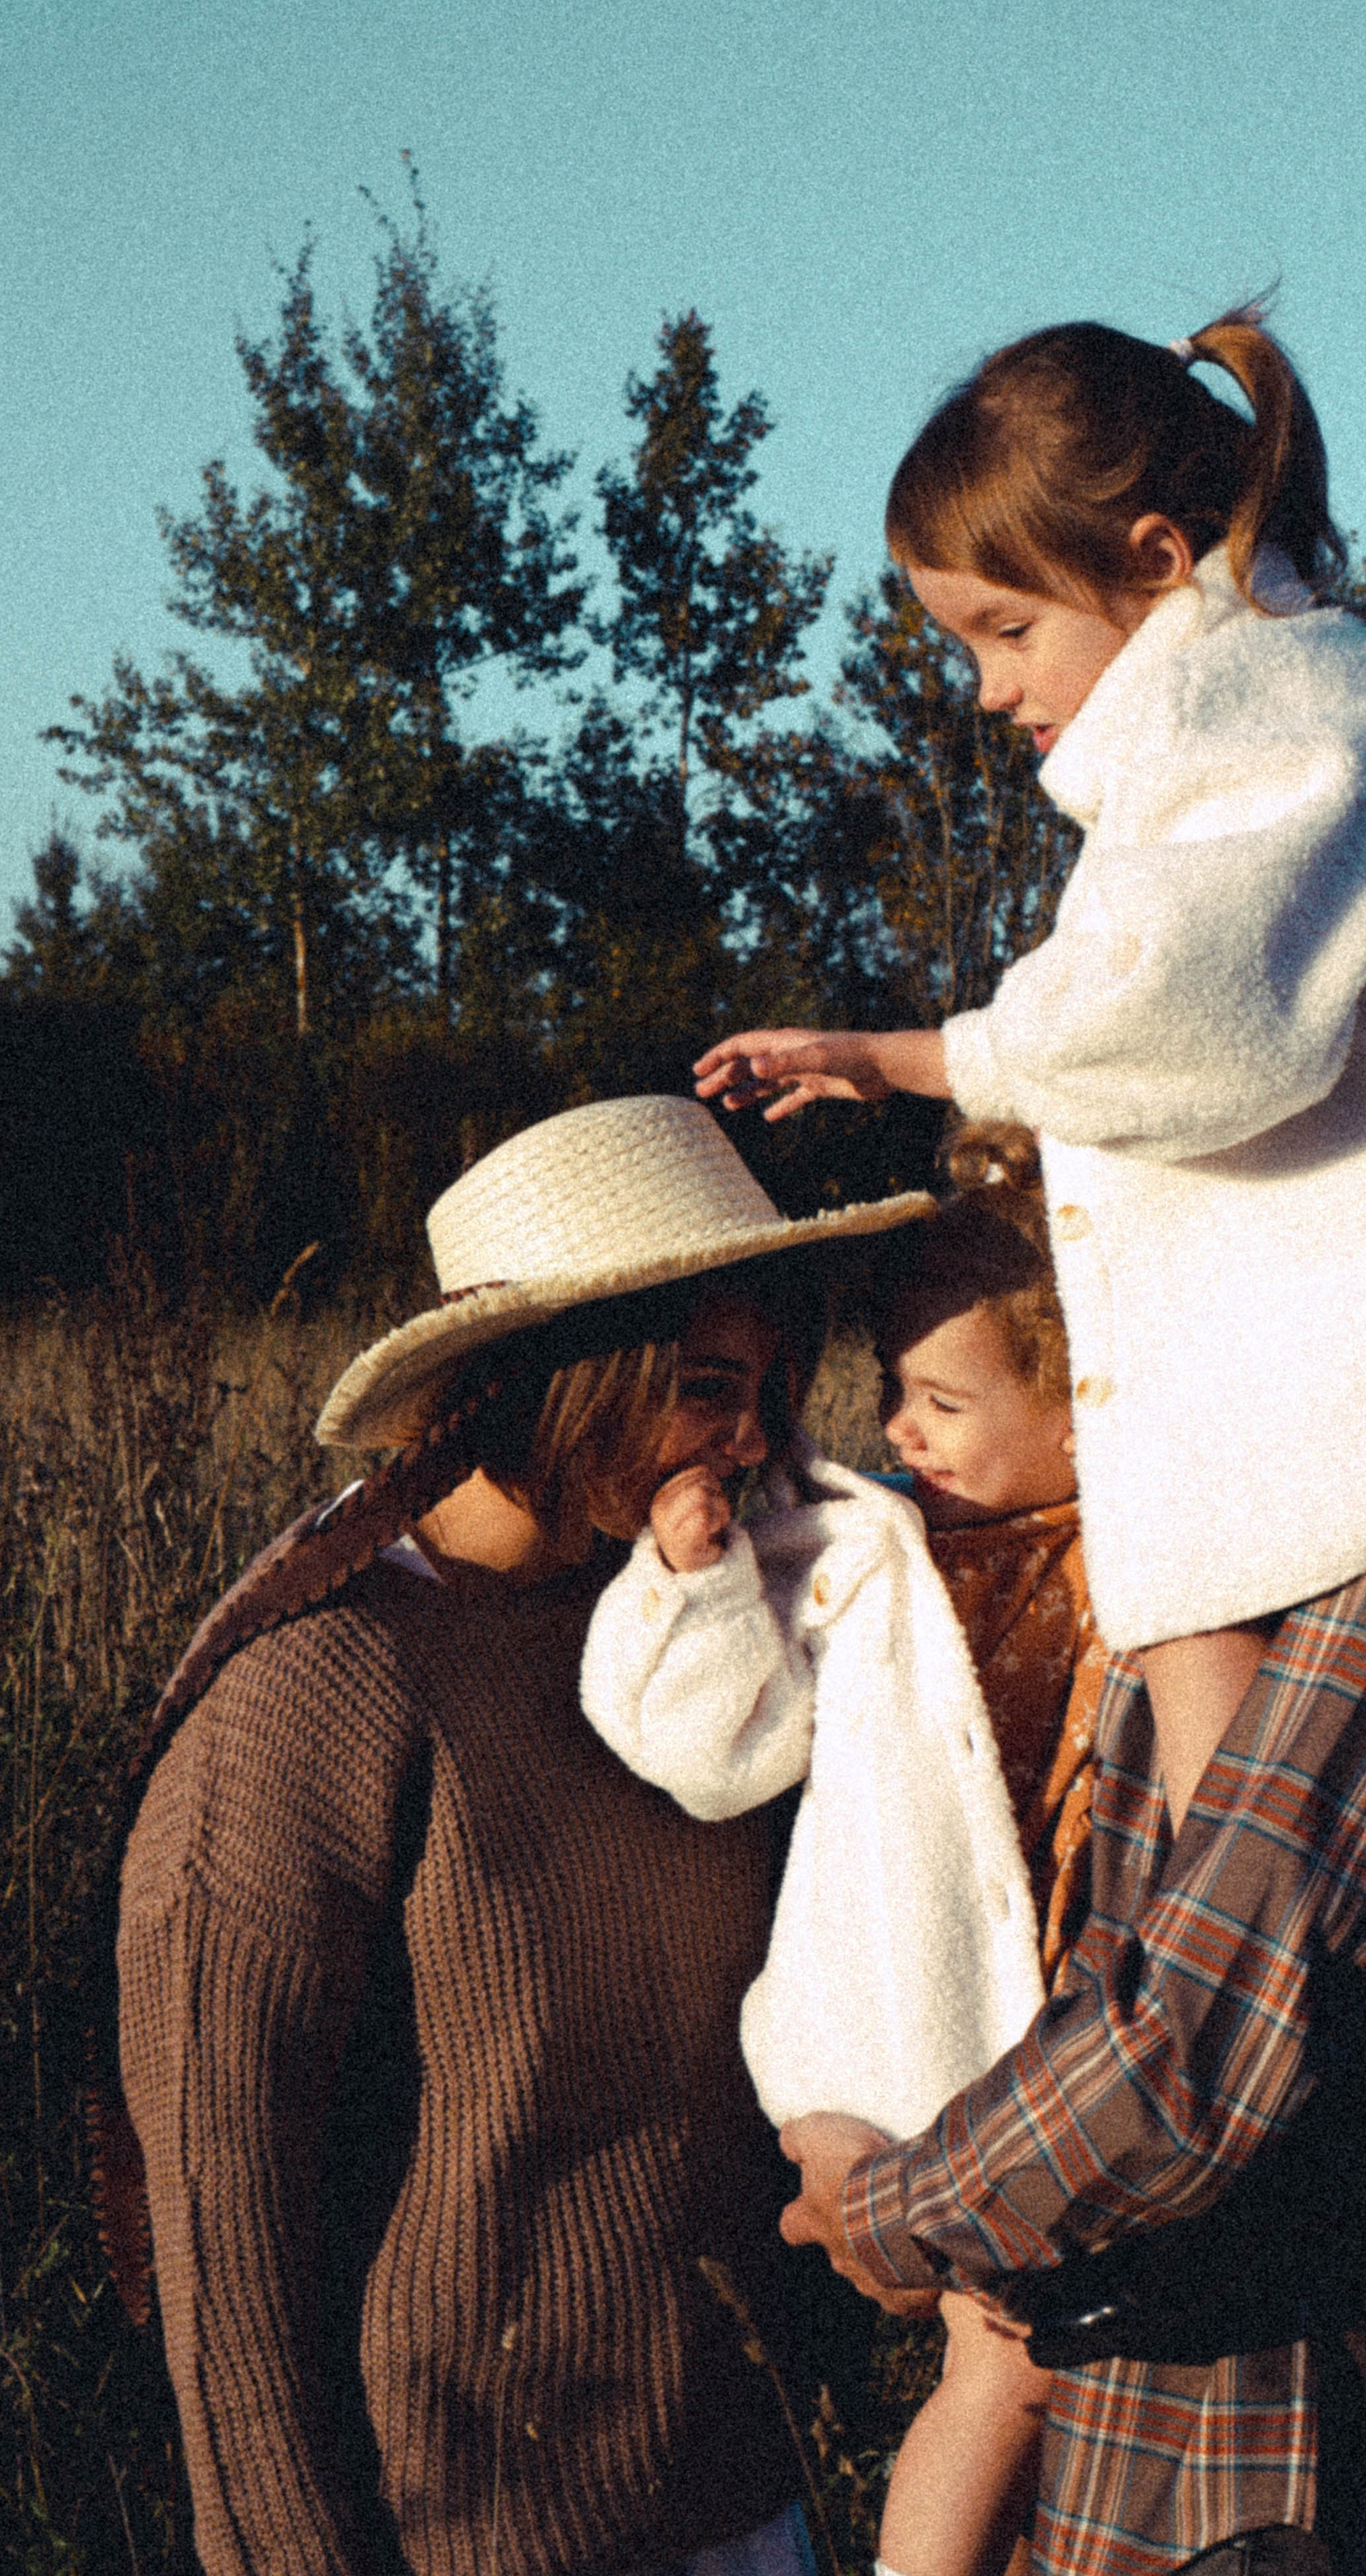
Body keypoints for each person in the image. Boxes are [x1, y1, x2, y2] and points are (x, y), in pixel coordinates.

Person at [691, 314, 1366, 2571]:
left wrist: (910, 2215)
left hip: (1288, 2470)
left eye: (1004, 630)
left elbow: (1208, 2031)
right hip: (1321, 2440)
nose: (986, 693)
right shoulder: (1323, 758)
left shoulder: (1299, 743)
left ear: (1164, 562)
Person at [108, 1094, 934, 2576]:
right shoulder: (323, 1685)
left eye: (767, 1387)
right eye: (705, 1388)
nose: (753, 1438)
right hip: (469, 2526)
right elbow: (221, 2225)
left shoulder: (705, 1628)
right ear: (567, 1376)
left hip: (749, 2492)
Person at [581, 1122, 1109, 2576]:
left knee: (1072, 2380)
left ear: (1084, 1410)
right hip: (906, 2037)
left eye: (942, 1400)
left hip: (1078, 2036)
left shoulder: (1147, 1549)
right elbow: (710, 1751)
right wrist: (692, 1588)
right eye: (892, 1392)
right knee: (1008, 2367)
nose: (900, 1432)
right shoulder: (862, 1550)